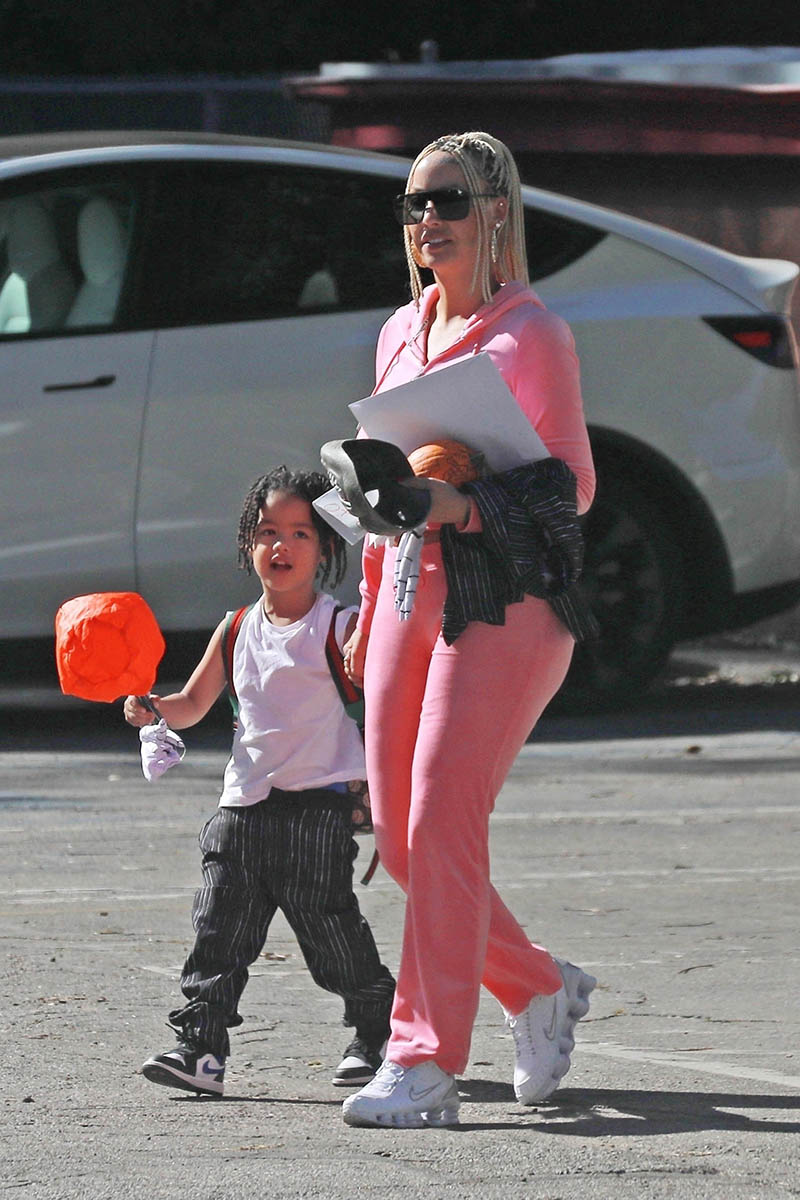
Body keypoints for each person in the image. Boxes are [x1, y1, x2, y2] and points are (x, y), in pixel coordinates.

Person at [339, 132, 597, 1129]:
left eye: (444, 202)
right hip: (408, 591)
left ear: (493, 211)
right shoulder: (399, 332)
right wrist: (363, 606)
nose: (425, 223)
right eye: (411, 206)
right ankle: (537, 986)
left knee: (444, 819)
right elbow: (380, 484)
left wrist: (463, 506)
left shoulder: (530, 335)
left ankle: (421, 1066)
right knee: (404, 847)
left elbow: (570, 486)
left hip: (508, 605)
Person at [124, 466, 395, 1097]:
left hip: (317, 810)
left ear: (327, 548)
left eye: (301, 533)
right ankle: (201, 1050)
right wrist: (152, 707)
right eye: (268, 531)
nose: (283, 546)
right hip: (241, 807)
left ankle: (377, 1033)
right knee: (217, 933)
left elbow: (387, 702)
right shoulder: (237, 626)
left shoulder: (341, 626)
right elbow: (192, 704)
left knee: (331, 935)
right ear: (249, 544)